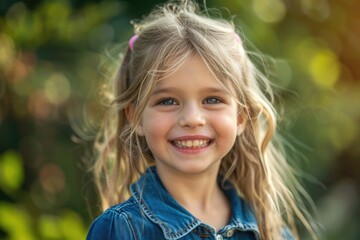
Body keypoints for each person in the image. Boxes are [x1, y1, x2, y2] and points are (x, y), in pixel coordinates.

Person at [86, 0, 318, 239]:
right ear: (135, 116)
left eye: (212, 99)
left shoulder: (271, 232)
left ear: (240, 116)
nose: (192, 119)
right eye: (167, 101)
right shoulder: (121, 229)